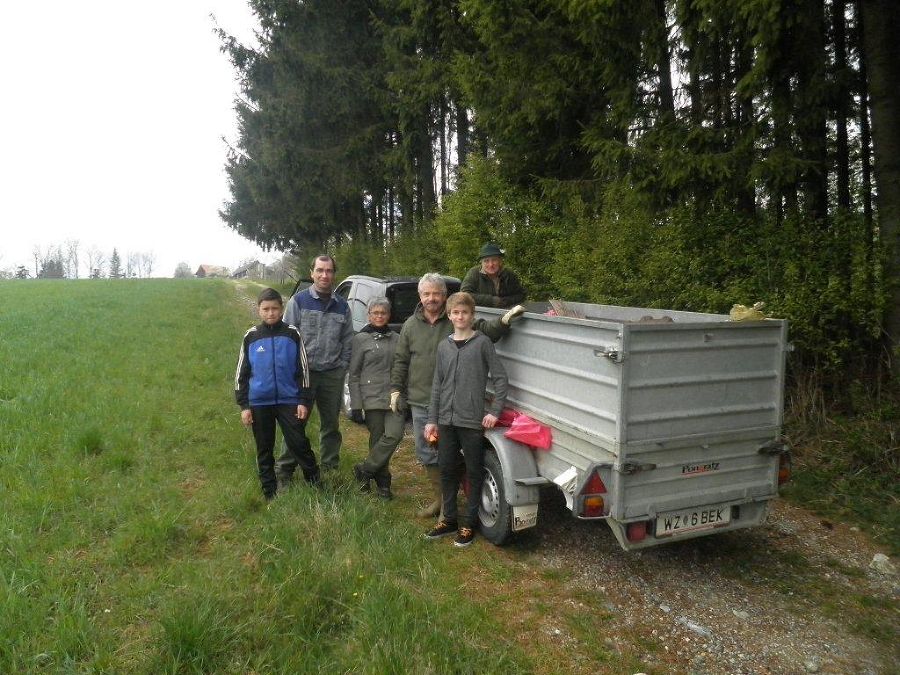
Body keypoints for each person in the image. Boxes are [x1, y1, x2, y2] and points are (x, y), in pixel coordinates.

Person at [390, 273, 523, 519]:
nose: (432, 298)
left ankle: (456, 504)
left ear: (444, 296)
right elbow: (401, 360)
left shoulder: (454, 316)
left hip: (456, 402)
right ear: (420, 296)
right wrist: (396, 388)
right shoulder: (410, 324)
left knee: (451, 454)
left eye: (437, 293)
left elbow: (484, 330)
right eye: (427, 294)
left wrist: (503, 322)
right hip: (422, 399)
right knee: (427, 450)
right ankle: (440, 502)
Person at [423, 292, 508, 547]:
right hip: (446, 421)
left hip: (471, 420)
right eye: (456, 313)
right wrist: (432, 419)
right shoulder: (444, 346)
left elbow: (501, 379)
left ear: (472, 316)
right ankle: (449, 520)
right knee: (447, 468)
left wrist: (495, 412)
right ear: (449, 316)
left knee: (473, 470)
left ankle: (469, 523)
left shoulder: (482, 343)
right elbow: (437, 383)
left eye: (465, 313)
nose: (460, 317)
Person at [275, 254, 353, 483]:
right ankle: (285, 470)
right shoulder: (298, 302)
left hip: (332, 374)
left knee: (331, 425)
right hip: (304, 376)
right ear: (312, 273)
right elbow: (287, 339)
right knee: (295, 423)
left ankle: (330, 469)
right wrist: (293, 373)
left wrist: (342, 366)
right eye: (320, 270)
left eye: (329, 271)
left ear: (334, 274)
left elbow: (348, 340)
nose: (324, 275)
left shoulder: (342, 306)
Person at [235, 288, 318, 499]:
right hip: (259, 403)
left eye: (274, 309)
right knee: (264, 448)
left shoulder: (292, 333)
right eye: (266, 309)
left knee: (299, 443)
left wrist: (303, 400)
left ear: (281, 309)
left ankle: (315, 483)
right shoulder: (251, 336)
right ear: (259, 310)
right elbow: (241, 374)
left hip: (289, 400)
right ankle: (269, 492)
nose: (270, 313)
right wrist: (244, 406)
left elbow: (303, 370)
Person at [348, 297, 403, 500]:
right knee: (377, 439)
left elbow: (403, 367)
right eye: (375, 313)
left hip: (394, 398)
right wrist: (356, 404)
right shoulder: (360, 339)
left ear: (389, 315)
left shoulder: (397, 338)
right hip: (370, 398)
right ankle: (383, 483)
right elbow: (353, 374)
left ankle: (365, 470)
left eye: (383, 313)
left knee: (394, 435)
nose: (379, 316)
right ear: (369, 315)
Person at [460, 242, 526, 308]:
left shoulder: (509, 274)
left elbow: (521, 295)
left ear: (500, 261)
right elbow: (464, 295)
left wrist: (504, 301)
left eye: (494, 260)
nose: (491, 264)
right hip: (480, 313)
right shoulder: (474, 273)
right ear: (481, 263)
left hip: (505, 312)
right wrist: (492, 301)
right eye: (486, 261)